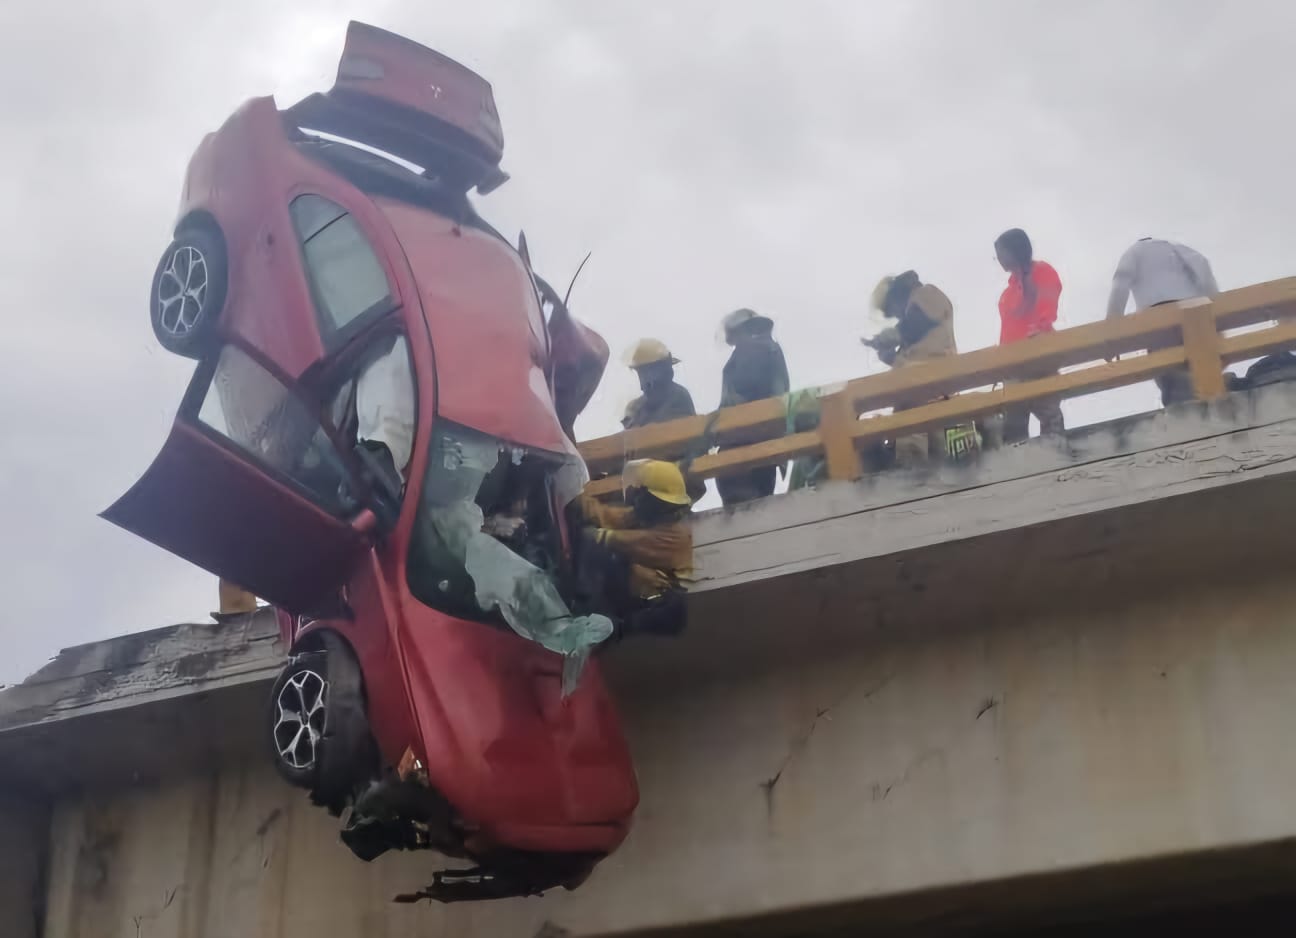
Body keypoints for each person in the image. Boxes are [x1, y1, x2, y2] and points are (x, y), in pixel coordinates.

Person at [572, 459, 694, 639]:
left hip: (651, 607)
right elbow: (605, 515)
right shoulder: (650, 517)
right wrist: (572, 496)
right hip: (635, 597)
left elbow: (604, 538)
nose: (636, 499)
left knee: (600, 550)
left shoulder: (674, 536)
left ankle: (583, 610)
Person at [1106, 237, 1220, 407]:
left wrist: (1112, 330)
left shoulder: (1135, 251)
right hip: (1196, 312)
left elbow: (1120, 283)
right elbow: (1203, 266)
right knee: (1202, 368)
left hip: (1159, 316)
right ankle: (1212, 402)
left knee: (1169, 372)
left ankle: (1182, 411)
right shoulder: (1177, 247)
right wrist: (1216, 307)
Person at [864, 271, 959, 466]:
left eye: (892, 309)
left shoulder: (927, 294)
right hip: (916, 404)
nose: (897, 315)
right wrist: (892, 358)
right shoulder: (911, 331)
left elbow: (916, 323)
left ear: (898, 296)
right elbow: (912, 358)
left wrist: (891, 336)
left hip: (936, 398)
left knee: (942, 467)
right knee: (916, 467)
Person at [995, 228, 1065, 444]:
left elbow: (1048, 299)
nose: (998, 259)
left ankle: (1056, 454)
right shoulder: (1008, 292)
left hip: (1038, 355)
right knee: (1014, 418)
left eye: (1000, 253)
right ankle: (1016, 464)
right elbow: (1007, 330)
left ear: (1014, 251)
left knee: (1048, 410)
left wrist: (1042, 328)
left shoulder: (1041, 271)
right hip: (1013, 364)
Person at [716, 309, 790, 505]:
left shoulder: (756, 351)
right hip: (763, 441)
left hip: (748, 441)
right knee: (759, 504)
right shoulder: (768, 349)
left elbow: (743, 393)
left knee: (748, 504)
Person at [622, 339, 697, 429]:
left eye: (650, 371)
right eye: (643, 372)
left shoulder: (679, 396)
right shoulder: (635, 407)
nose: (645, 381)